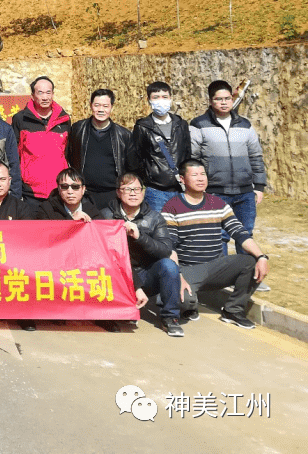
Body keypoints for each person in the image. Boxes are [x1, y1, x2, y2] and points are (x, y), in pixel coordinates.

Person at [162, 160, 269, 329]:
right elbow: (169, 246)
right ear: (182, 179)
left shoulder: (217, 203)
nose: (200, 179)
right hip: (188, 270)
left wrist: (261, 257)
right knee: (183, 302)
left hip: (215, 267)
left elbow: (240, 234)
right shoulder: (172, 207)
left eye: (203, 174)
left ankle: (233, 311)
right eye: (194, 175)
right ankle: (182, 301)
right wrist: (178, 276)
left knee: (252, 262)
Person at [189, 80, 267, 256]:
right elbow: (192, 159)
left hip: (245, 192)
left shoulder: (245, 125)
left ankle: (245, 278)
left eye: (227, 98)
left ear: (232, 99)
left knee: (245, 235)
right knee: (218, 236)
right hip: (215, 192)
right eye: (218, 99)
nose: (224, 102)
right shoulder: (199, 125)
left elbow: (255, 156)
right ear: (211, 101)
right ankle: (221, 279)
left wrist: (259, 186)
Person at [98, 172, 181, 336]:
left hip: (146, 273)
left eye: (137, 189)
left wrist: (140, 237)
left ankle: (170, 318)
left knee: (169, 266)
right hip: (118, 276)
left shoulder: (155, 218)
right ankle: (118, 310)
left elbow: (165, 249)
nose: (134, 193)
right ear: (118, 192)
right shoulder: (105, 215)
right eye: (128, 189)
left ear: (144, 192)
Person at [67, 88, 137, 212]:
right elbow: (70, 156)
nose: (101, 110)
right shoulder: (78, 129)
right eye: (97, 105)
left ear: (111, 108)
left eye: (105, 106)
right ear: (90, 106)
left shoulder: (123, 135)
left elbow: (131, 167)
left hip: (112, 195)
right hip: (84, 194)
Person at [131, 81, 191, 215]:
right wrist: (149, 178)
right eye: (156, 97)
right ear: (149, 100)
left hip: (180, 189)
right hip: (155, 191)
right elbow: (136, 159)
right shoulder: (142, 127)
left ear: (171, 98)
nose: (161, 101)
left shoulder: (181, 124)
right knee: (159, 230)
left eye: (164, 97)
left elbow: (187, 154)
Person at [12, 76, 71, 209]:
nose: (45, 97)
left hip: (58, 191)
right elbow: (15, 156)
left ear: (53, 94)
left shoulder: (64, 119)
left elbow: (67, 153)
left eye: (48, 92)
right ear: (32, 95)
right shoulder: (20, 119)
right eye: (40, 93)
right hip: (30, 192)